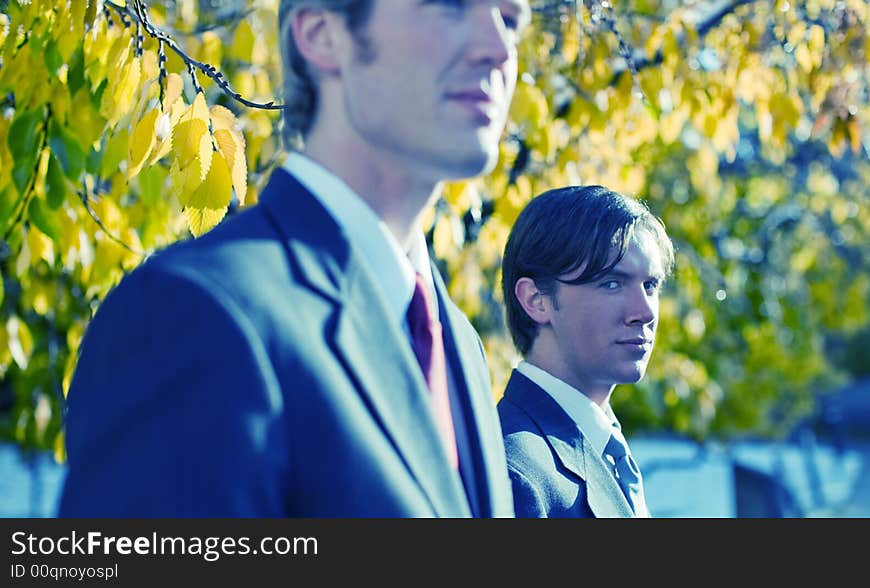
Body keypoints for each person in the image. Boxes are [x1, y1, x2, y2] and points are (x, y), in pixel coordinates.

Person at [60, 0, 531, 517]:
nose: (498, 49)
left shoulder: (457, 342)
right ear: (322, 34)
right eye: (449, 8)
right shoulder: (194, 315)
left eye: (510, 19)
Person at [497, 185, 675, 517]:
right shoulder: (514, 473)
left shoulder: (607, 450)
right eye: (611, 283)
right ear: (537, 300)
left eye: (650, 285)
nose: (645, 311)